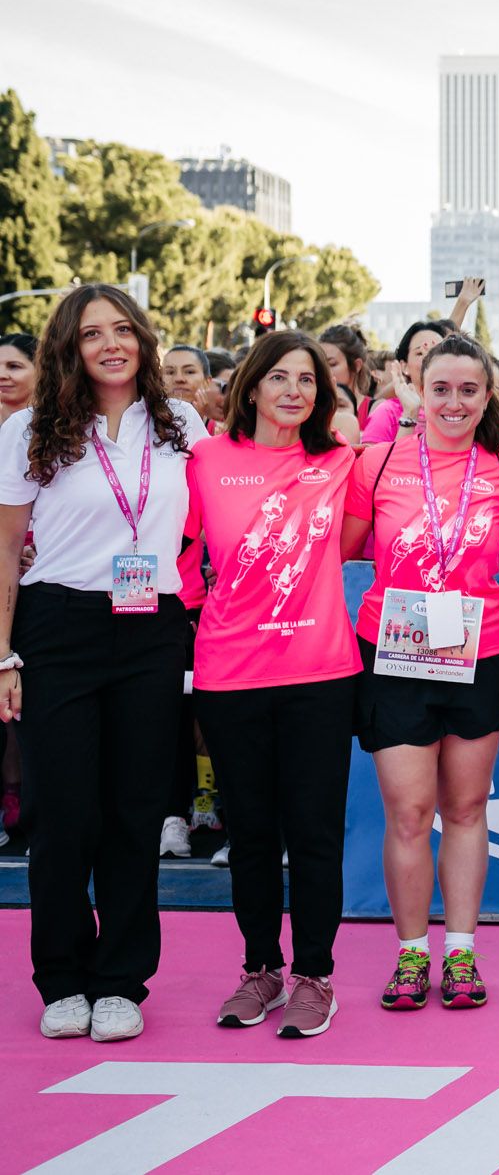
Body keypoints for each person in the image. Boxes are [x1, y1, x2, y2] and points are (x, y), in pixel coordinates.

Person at [0, 284, 206, 1043]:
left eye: (125, 329)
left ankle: (120, 977)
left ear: (146, 339)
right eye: (93, 334)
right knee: (61, 813)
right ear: (70, 347)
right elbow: (4, 552)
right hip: (58, 625)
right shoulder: (31, 428)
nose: (112, 344)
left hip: (153, 624)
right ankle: (61, 975)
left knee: (133, 811)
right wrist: (2, 655)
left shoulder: (179, 421)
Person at [342, 333, 499, 1013]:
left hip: (479, 654)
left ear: (489, 396)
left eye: (469, 390)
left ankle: (461, 952)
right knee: (408, 811)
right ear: (418, 389)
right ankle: (409, 953)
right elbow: (338, 549)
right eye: (442, 387)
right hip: (392, 653)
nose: (454, 401)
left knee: (466, 807)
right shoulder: (377, 460)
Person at [185, 331, 360, 1038]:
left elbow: (353, 540)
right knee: (252, 833)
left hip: (320, 675)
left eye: (309, 380)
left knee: (314, 833)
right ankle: (260, 967)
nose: (295, 390)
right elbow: (183, 556)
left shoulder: (341, 461)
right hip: (229, 675)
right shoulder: (204, 460)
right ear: (250, 385)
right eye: (280, 377)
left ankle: (315, 975)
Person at [0, 333, 32, 846]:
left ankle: (19, 795)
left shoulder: (50, 427)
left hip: (38, 592)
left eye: (14, 364)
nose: (2, 374)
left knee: (22, 708)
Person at [361, 319, 452, 445]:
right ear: (404, 366)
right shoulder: (388, 412)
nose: (430, 359)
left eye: (438, 352)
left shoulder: (461, 407)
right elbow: (371, 463)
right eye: (420, 353)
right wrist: (409, 415)